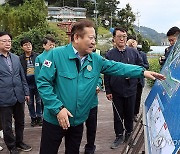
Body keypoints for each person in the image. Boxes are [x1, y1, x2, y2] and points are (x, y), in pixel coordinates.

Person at [36, 19, 165, 154]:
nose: (93, 42)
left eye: (95, 38)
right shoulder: (56, 55)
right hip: (55, 119)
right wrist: (58, 108)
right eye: (90, 38)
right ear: (76, 37)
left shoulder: (95, 59)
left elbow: (117, 67)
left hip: (77, 120)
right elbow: (43, 84)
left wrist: (142, 72)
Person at [104, 27, 145, 149]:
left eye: (124, 36)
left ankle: (129, 134)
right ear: (114, 39)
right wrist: (108, 90)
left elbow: (141, 67)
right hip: (116, 91)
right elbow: (106, 73)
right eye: (119, 36)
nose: (122, 39)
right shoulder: (110, 54)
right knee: (117, 115)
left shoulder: (133, 52)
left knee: (129, 114)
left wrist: (133, 77)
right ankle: (119, 135)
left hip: (131, 90)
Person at [0, 32, 32, 154]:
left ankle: (20, 142)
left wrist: (26, 92)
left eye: (9, 41)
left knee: (20, 122)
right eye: (4, 41)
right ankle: (12, 146)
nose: (8, 43)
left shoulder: (15, 57)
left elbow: (22, 76)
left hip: (18, 95)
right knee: (7, 125)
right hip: (3, 97)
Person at [19, 38, 43, 127]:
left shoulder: (37, 56)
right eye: (25, 45)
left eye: (29, 44)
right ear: (22, 47)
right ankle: (33, 118)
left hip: (37, 82)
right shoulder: (20, 59)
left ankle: (39, 117)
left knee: (39, 101)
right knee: (30, 102)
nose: (28, 46)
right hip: (27, 83)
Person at [84, 47, 102, 154]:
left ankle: (90, 146)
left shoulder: (96, 61)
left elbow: (99, 77)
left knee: (91, 126)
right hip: (77, 103)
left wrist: (98, 84)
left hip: (92, 102)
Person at [127, 38, 149, 122]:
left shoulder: (142, 54)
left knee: (138, 98)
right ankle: (129, 114)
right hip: (129, 81)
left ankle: (135, 114)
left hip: (139, 80)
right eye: (131, 42)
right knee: (130, 99)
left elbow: (146, 66)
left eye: (134, 42)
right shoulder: (126, 53)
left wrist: (139, 66)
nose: (132, 44)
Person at [35, 35, 56, 112]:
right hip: (46, 86)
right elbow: (37, 75)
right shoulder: (39, 58)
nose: (52, 47)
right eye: (50, 45)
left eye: (53, 45)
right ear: (44, 45)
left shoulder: (57, 56)